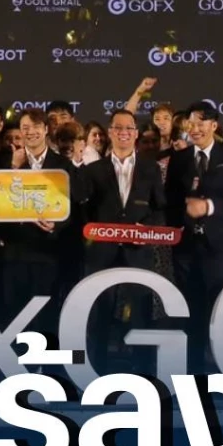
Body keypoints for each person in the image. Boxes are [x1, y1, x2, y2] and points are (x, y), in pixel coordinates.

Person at [77, 110, 168, 370]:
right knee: (99, 313)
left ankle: (144, 373)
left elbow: (160, 209)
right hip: (101, 253)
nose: (124, 132)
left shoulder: (151, 168)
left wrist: (146, 229)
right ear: (110, 132)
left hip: (138, 251)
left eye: (129, 128)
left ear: (136, 133)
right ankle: (94, 371)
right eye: (118, 127)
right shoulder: (93, 170)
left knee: (140, 313)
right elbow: (83, 210)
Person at [164, 101, 223, 372]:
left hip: (220, 245)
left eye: (201, 123)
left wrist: (209, 206)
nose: (195, 129)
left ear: (214, 125)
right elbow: (170, 199)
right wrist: (180, 217)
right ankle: (193, 368)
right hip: (186, 246)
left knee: (221, 306)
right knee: (191, 307)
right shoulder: (179, 158)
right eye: (191, 123)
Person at [0, 109, 79, 327]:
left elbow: (73, 206)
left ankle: (45, 350)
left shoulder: (63, 165)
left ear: (46, 129)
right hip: (15, 250)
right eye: (25, 128)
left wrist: (56, 224)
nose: (30, 132)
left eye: (36, 127)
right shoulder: (7, 163)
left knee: (46, 315)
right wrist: (13, 168)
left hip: (48, 252)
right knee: (15, 315)